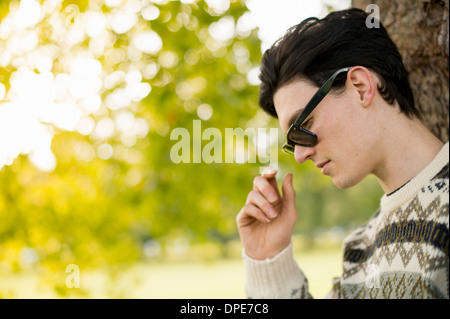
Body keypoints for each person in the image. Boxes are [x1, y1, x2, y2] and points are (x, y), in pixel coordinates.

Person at [236, 8, 449, 299]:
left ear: (361, 88)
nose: (299, 155)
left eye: (304, 124)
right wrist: (267, 257)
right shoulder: (358, 250)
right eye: (292, 141)